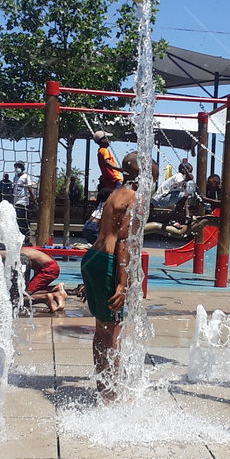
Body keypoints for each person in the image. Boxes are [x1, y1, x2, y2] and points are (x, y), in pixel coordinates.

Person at [81, 152, 157, 403]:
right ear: (143, 176)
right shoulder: (135, 198)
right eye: (152, 178)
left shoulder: (117, 193)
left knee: (101, 331)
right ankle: (112, 395)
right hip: (109, 262)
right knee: (113, 334)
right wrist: (123, 284)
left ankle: (105, 389)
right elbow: (124, 242)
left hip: (93, 259)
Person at [11, 162, 35, 241]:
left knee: (21, 218)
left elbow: (29, 188)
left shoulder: (25, 176)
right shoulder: (15, 177)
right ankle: (22, 235)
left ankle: (26, 234)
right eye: (16, 167)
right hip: (15, 201)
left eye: (19, 167)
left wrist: (33, 199)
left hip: (22, 201)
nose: (17, 168)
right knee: (18, 219)